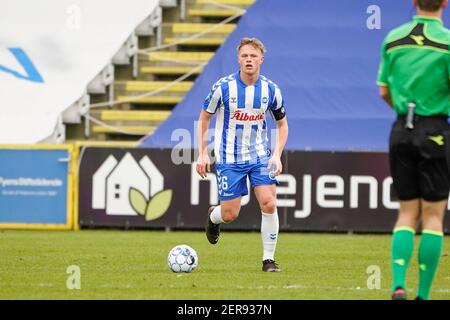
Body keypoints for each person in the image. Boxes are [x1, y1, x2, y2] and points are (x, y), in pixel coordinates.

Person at [196, 37, 289, 272]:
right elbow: (204, 118)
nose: (249, 60)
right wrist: (203, 153)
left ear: (261, 60)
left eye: (253, 56)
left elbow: (283, 124)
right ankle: (214, 217)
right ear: (238, 59)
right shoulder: (223, 87)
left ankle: (268, 259)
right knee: (230, 214)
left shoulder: (271, 90)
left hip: (259, 157)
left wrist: (276, 154)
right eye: (245, 56)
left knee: (268, 203)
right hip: (229, 158)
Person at [377, 0, 450, 300]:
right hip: (436, 130)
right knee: (433, 217)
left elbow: (383, 90)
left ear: (414, 2)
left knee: (406, 213)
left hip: (400, 130)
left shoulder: (393, 38)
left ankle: (397, 285)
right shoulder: (446, 42)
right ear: (444, 3)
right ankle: (422, 294)